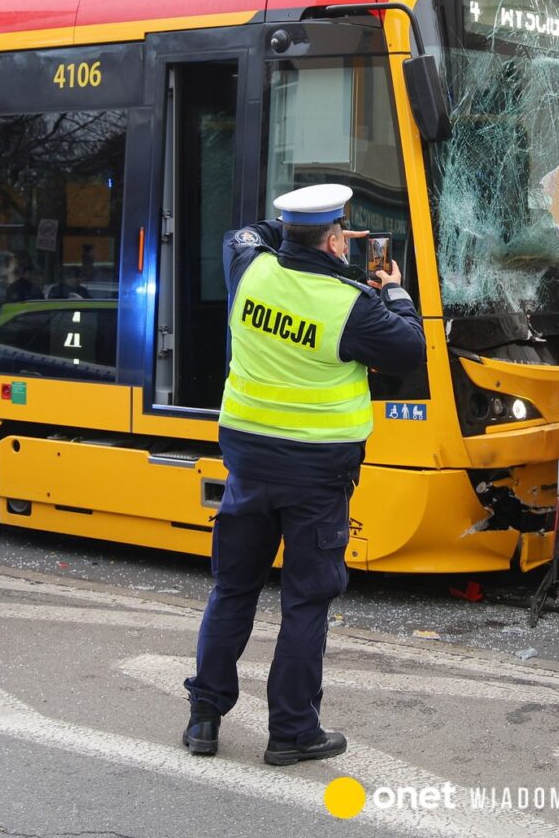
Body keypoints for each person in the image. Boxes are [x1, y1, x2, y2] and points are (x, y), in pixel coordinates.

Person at [183, 182, 425, 765]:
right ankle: (290, 731)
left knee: (233, 589)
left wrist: (293, 231)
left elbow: (247, 234)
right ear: (339, 239)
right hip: (317, 473)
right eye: (341, 235)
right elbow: (411, 350)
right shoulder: (352, 305)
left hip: (247, 461)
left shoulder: (249, 269)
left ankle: (204, 721)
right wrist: (394, 294)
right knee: (305, 602)